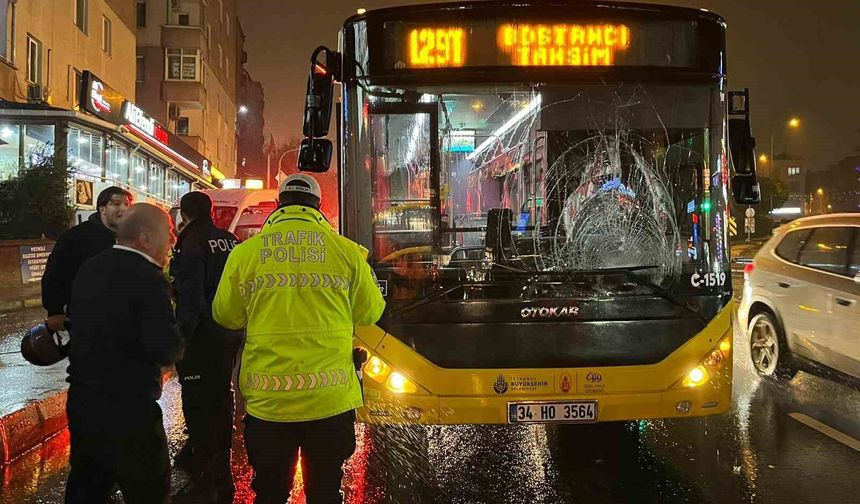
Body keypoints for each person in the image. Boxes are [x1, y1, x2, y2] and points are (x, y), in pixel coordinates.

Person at [213, 174, 385, 504]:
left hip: (269, 405)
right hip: (330, 402)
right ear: (318, 208)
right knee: (324, 492)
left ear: (279, 206)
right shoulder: (347, 253)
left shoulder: (245, 254)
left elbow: (226, 316)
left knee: (271, 492)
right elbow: (370, 313)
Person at [64, 203, 184, 504]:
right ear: (144, 238)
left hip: (83, 404)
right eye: (167, 233)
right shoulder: (148, 279)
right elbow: (164, 348)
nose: (172, 241)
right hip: (130, 411)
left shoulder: (90, 269)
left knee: (86, 488)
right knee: (149, 492)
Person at [170, 192, 243, 504]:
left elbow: (190, 299)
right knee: (220, 397)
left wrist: (180, 340)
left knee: (199, 405)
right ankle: (219, 471)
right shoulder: (229, 240)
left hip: (202, 337)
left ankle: (206, 479)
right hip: (229, 333)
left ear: (184, 214)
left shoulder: (191, 243)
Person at [42, 186, 132, 332]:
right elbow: (55, 274)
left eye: (126, 204)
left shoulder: (131, 237)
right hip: (85, 318)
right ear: (102, 208)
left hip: (123, 319)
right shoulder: (76, 237)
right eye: (116, 203)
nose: (123, 208)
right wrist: (55, 310)